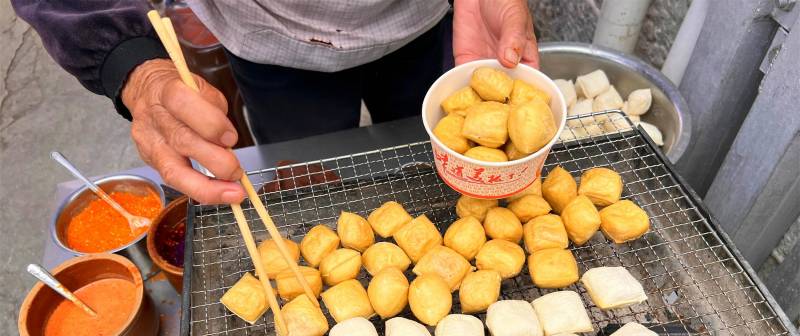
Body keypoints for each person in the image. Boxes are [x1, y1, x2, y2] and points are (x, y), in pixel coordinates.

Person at [14, 0, 539, 204]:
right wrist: (128, 60)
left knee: (426, 166)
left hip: (428, 23)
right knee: (305, 181)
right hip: (269, 40)